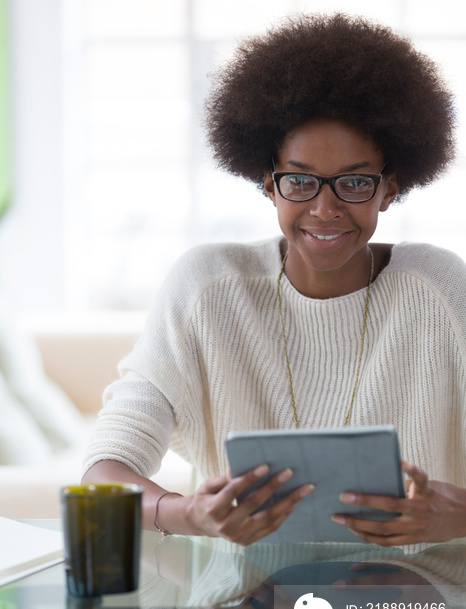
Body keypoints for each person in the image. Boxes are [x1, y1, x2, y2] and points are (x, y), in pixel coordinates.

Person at [82, 13, 466, 547]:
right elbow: (103, 473)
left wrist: (460, 515)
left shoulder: (441, 289)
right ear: (268, 185)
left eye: (354, 182)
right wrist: (187, 512)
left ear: (390, 188)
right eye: (300, 180)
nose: (325, 208)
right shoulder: (208, 289)